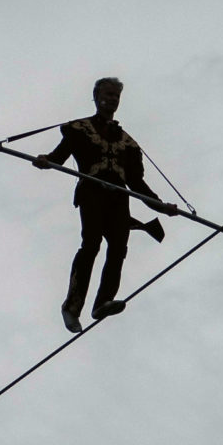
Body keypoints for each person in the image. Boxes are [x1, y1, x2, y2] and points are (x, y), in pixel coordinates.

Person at [34, 77, 170, 333]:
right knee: (91, 244)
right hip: (92, 192)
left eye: (116, 96)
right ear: (96, 97)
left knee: (118, 249)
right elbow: (60, 156)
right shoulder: (79, 129)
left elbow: (137, 183)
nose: (112, 99)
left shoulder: (128, 142)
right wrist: (47, 160)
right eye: (108, 94)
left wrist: (160, 206)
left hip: (119, 199)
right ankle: (72, 307)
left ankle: (102, 302)